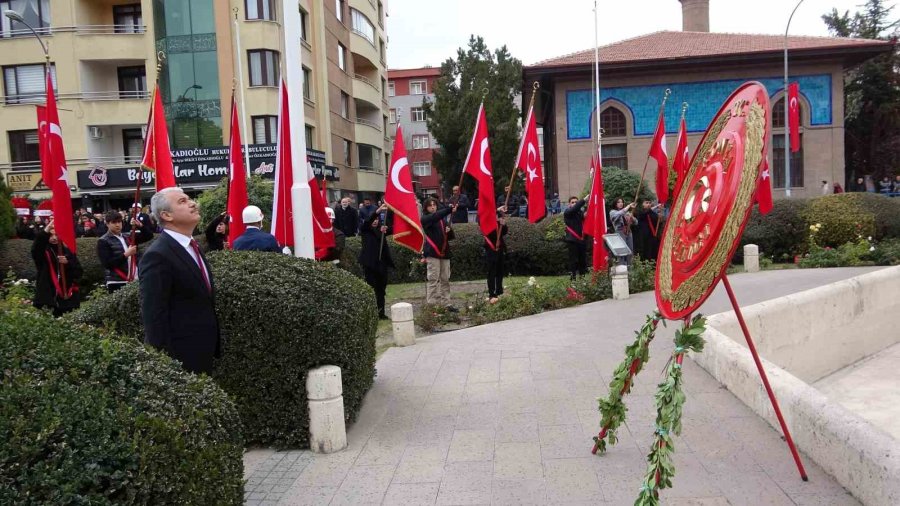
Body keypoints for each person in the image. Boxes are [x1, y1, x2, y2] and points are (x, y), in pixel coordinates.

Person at [140, 187, 220, 375]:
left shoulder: (192, 246)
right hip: (179, 360)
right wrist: (164, 363)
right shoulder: (158, 255)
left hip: (203, 350)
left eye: (189, 199)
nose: (193, 203)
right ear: (166, 215)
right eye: (182, 202)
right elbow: (153, 314)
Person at [32, 219, 82, 316]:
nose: (54, 238)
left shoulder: (67, 251)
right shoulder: (43, 252)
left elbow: (79, 272)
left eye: (56, 235)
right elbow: (36, 247)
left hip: (68, 297)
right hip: (49, 297)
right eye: (51, 235)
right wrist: (47, 229)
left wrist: (68, 263)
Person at [358, 203, 394, 319]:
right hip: (370, 265)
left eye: (377, 220)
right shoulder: (365, 230)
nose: (375, 221)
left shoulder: (381, 231)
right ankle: (372, 313)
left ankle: (381, 313)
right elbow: (368, 222)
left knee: (381, 290)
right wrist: (377, 211)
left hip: (381, 264)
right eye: (374, 219)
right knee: (372, 289)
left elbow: (393, 228)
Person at [422, 197, 458, 310]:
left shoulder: (442, 220)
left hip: (445, 252)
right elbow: (435, 216)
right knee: (433, 280)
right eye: (430, 205)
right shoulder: (426, 218)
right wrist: (449, 209)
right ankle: (432, 305)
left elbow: (450, 237)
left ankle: (446, 303)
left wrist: (449, 231)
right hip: (433, 253)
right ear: (426, 208)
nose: (433, 207)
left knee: (445, 279)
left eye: (434, 205)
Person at [97, 211, 139, 293]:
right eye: (114, 222)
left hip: (134, 277)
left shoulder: (127, 236)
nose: (117, 225)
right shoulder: (103, 241)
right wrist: (126, 255)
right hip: (117, 280)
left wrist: (140, 226)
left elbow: (148, 236)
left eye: (119, 222)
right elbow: (107, 264)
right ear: (107, 224)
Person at [484, 206, 509, 303]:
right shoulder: (485, 219)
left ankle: (499, 290)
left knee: (500, 270)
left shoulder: (498, 217)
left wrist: (503, 224)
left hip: (500, 248)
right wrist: (496, 217)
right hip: (491, 248)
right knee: (491, 271)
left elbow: (504, 232)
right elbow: (489, 232)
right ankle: (492, 293)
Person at [563, 195, 589, 280]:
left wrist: (590, 204)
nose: (574, 204)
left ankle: (582, 278)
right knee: (573, 261)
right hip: (572, 240)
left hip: (581, 239)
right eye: (572, 202)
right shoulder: (567, 212)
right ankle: (573, 278)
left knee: (582, 260)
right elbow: (574, 209)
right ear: (569, 204)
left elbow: (584, 216)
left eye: (576, 202)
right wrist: (584, 200)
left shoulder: (579, 212)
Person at [610, 198, 637, 266]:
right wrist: (629, 206)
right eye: (619, 202)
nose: (621, 203)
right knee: (621, 251)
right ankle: (621, 267)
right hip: (620, 232)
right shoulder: (613, 212)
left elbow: (636, 222)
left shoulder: (627, 213)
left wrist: (632, 218)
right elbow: (619, 214)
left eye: (622, 202)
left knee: (630, 251)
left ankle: (630, 269)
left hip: (628, 232)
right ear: (615, 204)